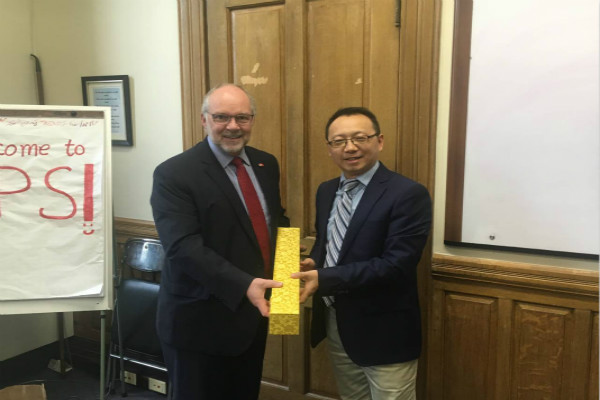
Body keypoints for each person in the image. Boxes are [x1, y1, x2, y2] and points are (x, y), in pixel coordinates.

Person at [150, 83, 289, 399]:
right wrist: (244, 285)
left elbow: (276, 221)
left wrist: (288, 278)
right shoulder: (174, 173)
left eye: (242, 117)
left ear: (252, 120)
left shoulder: (266, 164)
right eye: (222, 117)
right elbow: (182, 247)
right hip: (198, 324)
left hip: (251, 318)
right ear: (204, 120)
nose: (233, 126)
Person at [291, 107, 432, 400]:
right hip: (336, 321)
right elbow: (328, 241)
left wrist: (325, 277)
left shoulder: (407, 194)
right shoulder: (326, 190)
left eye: (359, 138)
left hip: (385, 328)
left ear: (379, 141)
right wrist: (315, 260)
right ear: (329, 148)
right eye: (339, 141)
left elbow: (397, 264)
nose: (350, 147)